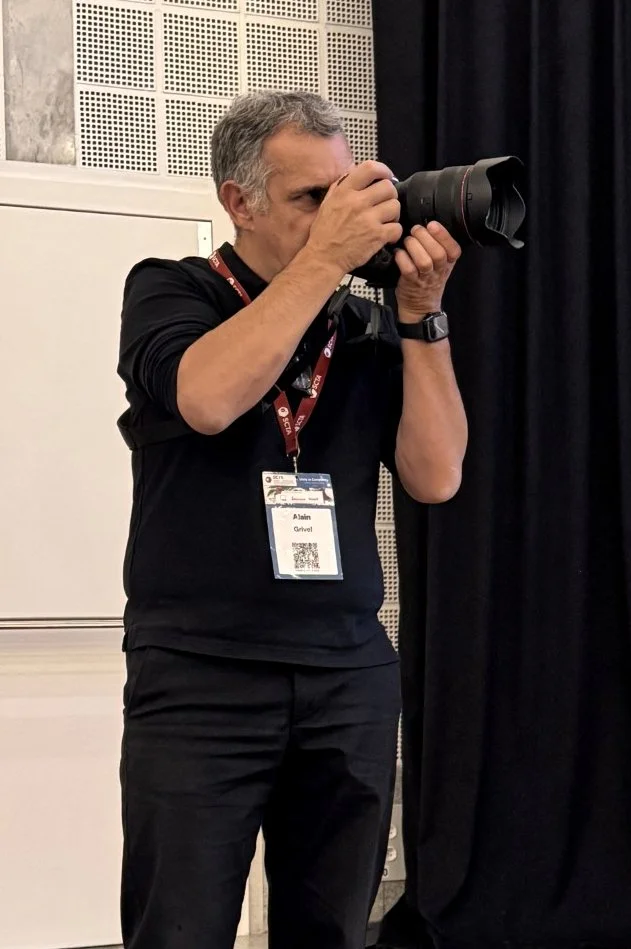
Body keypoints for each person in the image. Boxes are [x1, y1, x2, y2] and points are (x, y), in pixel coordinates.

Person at [117, 89, 468, 949]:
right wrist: (326, 263)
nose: (340, 217)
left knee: (332, 930)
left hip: (346, 673)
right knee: (181, 927)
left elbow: (437, 474)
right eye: (313, 199)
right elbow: (206, 397)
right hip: (203, 676)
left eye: (347, 191)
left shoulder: (365, 327)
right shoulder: (171, 290)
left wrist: (423, 321)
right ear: (238, 201)